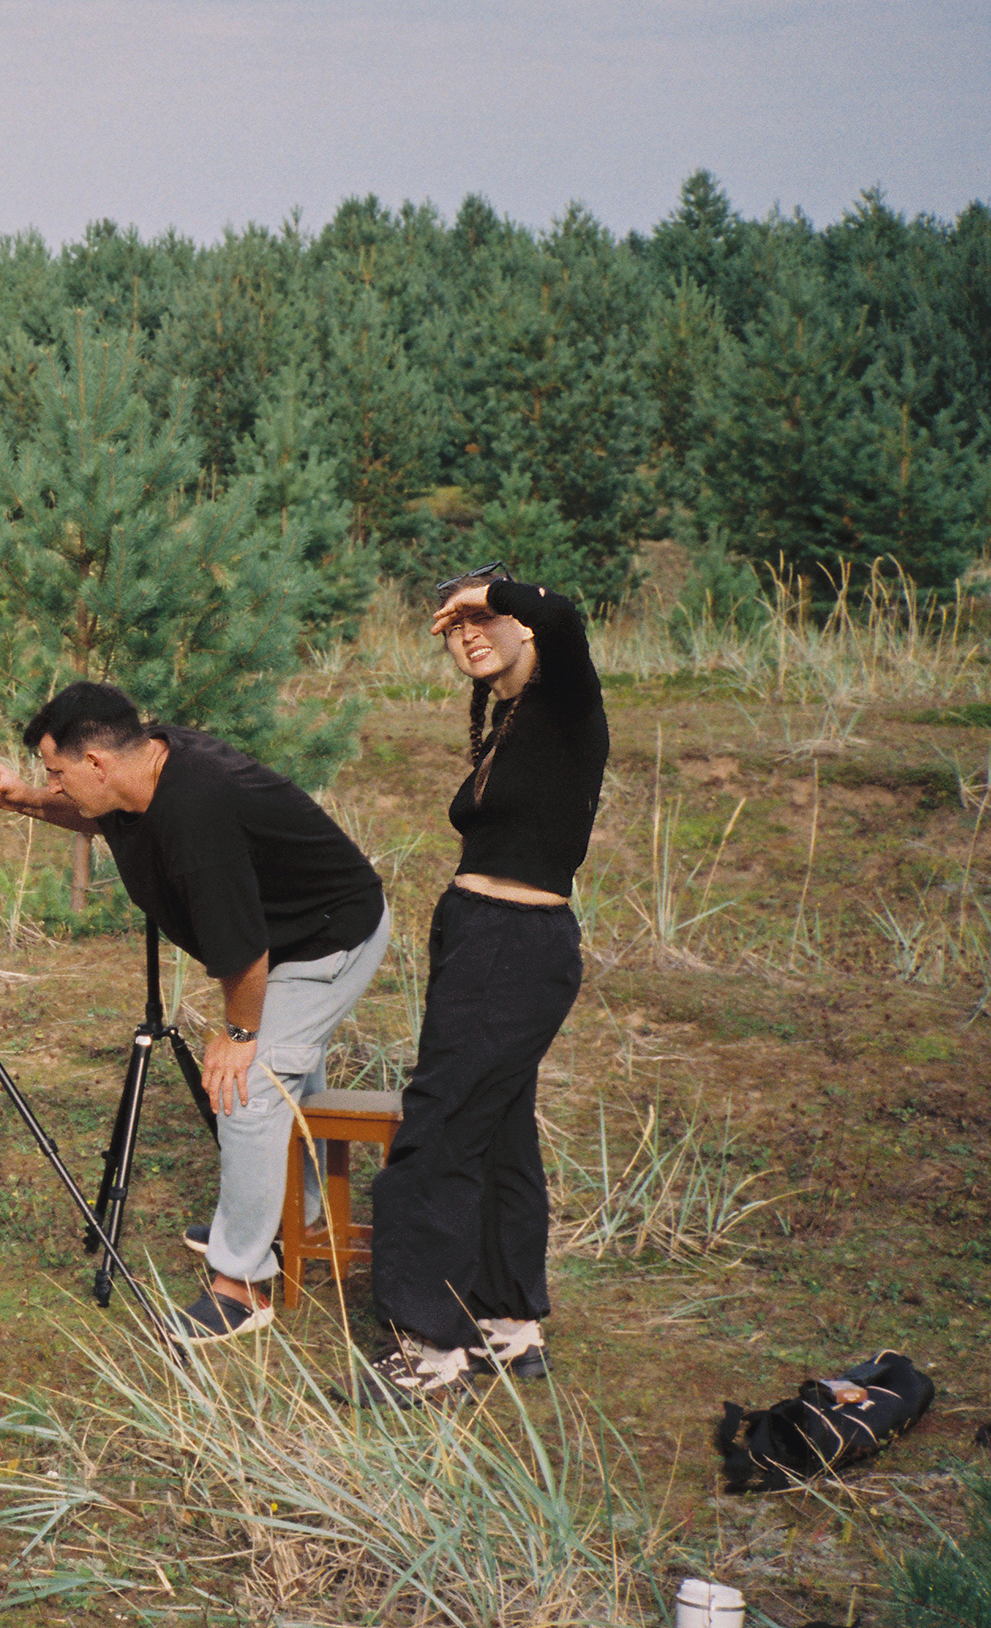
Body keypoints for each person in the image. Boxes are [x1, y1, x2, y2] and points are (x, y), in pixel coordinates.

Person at [0, 682, 389, 1340]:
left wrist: (240, 1032)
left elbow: (246, 955)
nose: (54, 785)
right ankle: (287, 1221)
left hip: (326, 941)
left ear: (98, 763)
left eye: (56, 774)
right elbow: (97, 814)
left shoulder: (198, 811)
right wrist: (22, 799)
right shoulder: (144, 766)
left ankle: (242, 1286)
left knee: (249, 1087)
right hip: (287, 935)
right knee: (280, 1081)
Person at [349, 564, 608, 1407]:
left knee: (440, 1127)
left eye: (482, 618)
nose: (466, 632)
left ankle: (429, 1346)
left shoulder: (568, 697)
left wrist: (496, 596)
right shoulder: (516, 720)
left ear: (521, 626)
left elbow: (562, 610)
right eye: (453, 623)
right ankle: (505, 1322)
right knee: (497, 1129)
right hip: (489, 940)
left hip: (513, 942)